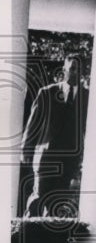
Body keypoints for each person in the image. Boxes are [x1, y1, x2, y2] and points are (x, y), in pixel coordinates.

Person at [21, 54, 88, 217]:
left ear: (84, 71)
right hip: (46, 158)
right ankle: (26, 236)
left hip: (69, 162)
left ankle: (49, 242)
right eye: (71, 68)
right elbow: (33, 124)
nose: (74, 72)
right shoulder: (47, 93)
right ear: (64, 69)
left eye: (78, 69)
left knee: (57, 206)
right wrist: (25, 149)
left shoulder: (89, 98)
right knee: (37, 200)